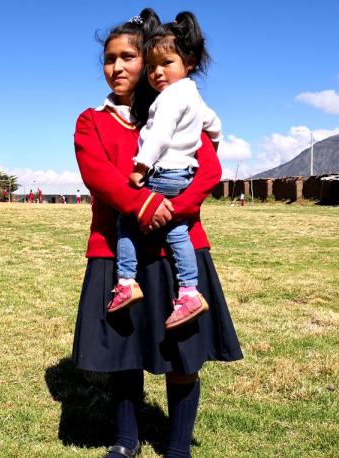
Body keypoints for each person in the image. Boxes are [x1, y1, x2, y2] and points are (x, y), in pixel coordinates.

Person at [72, 9, 242, 458]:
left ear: (147, 61)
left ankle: (179, 446)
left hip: (176, 247)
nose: (118, 67)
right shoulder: (92, 120)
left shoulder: (178, 112)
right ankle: (126, 441)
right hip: (117, 248)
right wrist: (143, 204)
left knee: (182, 350)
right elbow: (99, 176)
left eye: (129, 56)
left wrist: (173, 211)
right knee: (124, 352)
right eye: (110, 59)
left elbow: (209, 170)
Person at [110, 12, 222, 330]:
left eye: (165, 64)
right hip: (184, 174)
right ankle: (188, 291)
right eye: (152, 67)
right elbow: (215, 125)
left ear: (188, 62)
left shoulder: (171, 97)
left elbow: (158, 136)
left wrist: (140, 166)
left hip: (164, 172)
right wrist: (211, 146)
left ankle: (126, 281)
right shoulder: (193, 95)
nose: (157, 73)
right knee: (176, 231)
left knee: (128, 221)